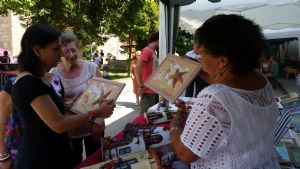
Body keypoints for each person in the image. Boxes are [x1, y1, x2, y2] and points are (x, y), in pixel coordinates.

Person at [169, 14, 280, 169]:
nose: (197, 51)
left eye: (202, 51)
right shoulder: (260, 79)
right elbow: (228, 85)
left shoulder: (214, 97)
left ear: (222, 61)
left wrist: (174, 127)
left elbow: (185, 154)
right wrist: (198, 67)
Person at [11, 24, 115, 169]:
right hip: (42, 159)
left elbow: (54, 112)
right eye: (56, 49)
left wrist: (72, 103)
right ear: (36, 50)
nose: (61, 54)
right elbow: (59, 124)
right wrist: (96, 113)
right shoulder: (29, 83)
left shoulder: (40, 78)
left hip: (54, 153)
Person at [50, 32, 104, 167]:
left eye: (74, 50)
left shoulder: (91, 68)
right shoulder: (53, 73)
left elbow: (104, 96)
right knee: (73, 162)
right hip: (70, 129)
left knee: (96, 160)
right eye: (66, 51)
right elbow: (53, 104)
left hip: (93, 125)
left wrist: (99, 121)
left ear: (79, 49)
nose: (71, 55)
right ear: (60, 52)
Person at [0, 73, 64, 169]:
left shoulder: (55, 78)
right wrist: (4, 157)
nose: (59, 56)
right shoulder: (14, 82)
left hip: (55, 148)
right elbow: (2, 121)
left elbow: (61, 111)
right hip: (25, 150)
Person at [135, 32, 159, 114]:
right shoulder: (147, 50)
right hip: (147, 90)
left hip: (154, 89)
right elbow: (137, 67)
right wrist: (141, 86)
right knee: (146, 116)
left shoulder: (153, 52)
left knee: (152, 116)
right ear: (157, 39)